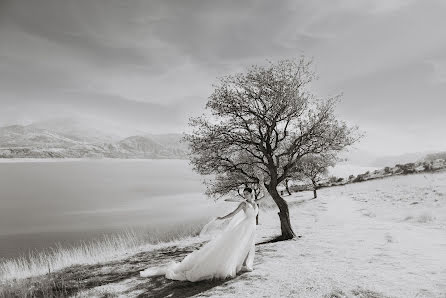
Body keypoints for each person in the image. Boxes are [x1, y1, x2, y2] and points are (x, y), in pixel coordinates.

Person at [139, 187, 259, 281]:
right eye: (244, 194)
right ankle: (238, 265)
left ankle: (244, 264)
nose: (245, 195)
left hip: (251, 227)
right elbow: (233, 213)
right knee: (237, 244)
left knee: (248, 245)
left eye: (247, 194)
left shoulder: (255, 202)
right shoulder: (243, 204)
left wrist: (263, 184)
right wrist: (222, 218)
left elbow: (264, 197)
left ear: (251, 194)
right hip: (244, 227)